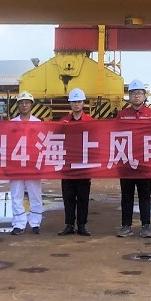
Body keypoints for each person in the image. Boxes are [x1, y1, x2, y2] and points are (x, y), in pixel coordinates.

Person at [116, 79, 151, 238]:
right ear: (129, 96)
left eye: (139, 93)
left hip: (144, 162)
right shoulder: (122, 115)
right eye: (133, 93)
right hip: (126, 162)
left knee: (144, 195)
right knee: (126, 195)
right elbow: (114, 135)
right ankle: (126, 226)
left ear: (144, 96)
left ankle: (145, 226)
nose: (136, 96)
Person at [58, 87, 93, 236]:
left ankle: (82, 225)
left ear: (83, 103)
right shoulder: (63, 122)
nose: (76, 104)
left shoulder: (90, 122)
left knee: (83, 197)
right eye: (73, 102)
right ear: (70, 104)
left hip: (84, 165)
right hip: (67, 165)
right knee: (68, 196)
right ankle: (69, 224)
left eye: (79, 101)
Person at [9, 91, 44, 235]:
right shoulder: (11, 124)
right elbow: (7, 144)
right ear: (18, 105)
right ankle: (19, 224)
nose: (24, 105)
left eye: (27, 103)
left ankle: (35, 223)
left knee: (35, 194)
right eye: (22, 103)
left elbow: (42, 143)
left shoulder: (38, 123)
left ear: (31, 105)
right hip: (16, 165)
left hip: (32, 164)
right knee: (16, 194)